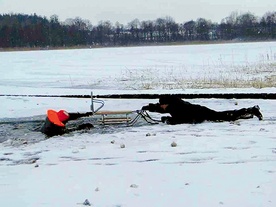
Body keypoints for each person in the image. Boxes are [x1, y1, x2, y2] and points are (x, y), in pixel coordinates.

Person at [141, 96, 263, 125]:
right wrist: (149, 107)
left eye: (161, 105)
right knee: (224, 116)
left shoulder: (175, 107)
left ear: (166, 104)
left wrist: (167, 120)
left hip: (200, 113)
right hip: (199, 110)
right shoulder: (171, 104)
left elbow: (181, 119)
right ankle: (247, 113)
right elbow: (160, 108)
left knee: (224, 117)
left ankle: (249, 111)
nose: (161, 107)